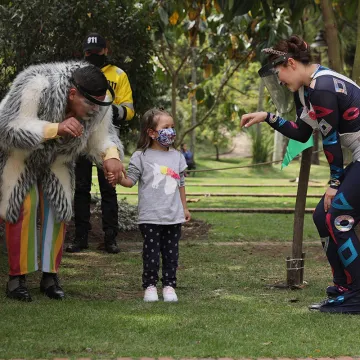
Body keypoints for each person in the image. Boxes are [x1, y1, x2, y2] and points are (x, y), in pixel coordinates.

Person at [241, 35, 360, 314]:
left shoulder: (323, 86)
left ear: (291, 63)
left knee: (338, 216)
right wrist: (268, 117)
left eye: (278, 74)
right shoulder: (305, 91)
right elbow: (303, 132)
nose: (279, 81)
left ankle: (357, 293)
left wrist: (334, 184)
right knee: (322, 216)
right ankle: (343, 286)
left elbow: (329, 140)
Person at [0, 61, 125, 301]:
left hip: (56, 162)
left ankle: (50, 276)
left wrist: (111, 156)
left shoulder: (98, 104)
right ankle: (17, 278)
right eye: (89, 103)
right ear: (72, 93)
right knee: (21, 207)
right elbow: (8, 128)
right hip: (18, 155)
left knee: (58, 209)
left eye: (98, 104)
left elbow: (102, 137)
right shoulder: (36, 84)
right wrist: (55, 128)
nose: (94, 110)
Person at [66, 33, 134, 254]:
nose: (93, 55)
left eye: (97, 51)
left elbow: (130, 111)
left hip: (106, 140)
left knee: (109, 187)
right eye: (89, 52)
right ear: (83, 52)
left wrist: (108, 109)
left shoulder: (119, 75)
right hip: (81, 139)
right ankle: (81, 238)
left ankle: (110, 238)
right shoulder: (77, 73)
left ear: (106, 50)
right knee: (82, 188)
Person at [115, 108, 191, 302]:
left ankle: (169, 286)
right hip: (150, 216)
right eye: (166, 127)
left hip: (173, 215)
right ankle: (149, 286)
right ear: (151, 132)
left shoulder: (177, 157)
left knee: (171, 254)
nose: (171, 131)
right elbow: (130, 181)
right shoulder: (141, 156)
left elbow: (181, 183)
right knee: (151, 253)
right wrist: (117, 178)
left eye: (173, 127)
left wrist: (184, 207)